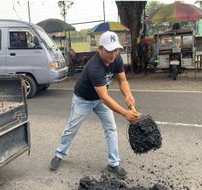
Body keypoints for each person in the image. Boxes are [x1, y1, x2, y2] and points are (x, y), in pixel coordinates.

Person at [50, 31, 140, 179]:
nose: (113, 55)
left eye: (115, 50)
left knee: (111, 128)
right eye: (109, 51)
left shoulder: (116, 60)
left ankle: (114, 163)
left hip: (100, 100)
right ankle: (59, 154)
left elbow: (122, 81)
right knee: (72, 128)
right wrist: (125, 113)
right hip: (83, 99)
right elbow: (105, 97)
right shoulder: (94, 67)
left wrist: (128, 95)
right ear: (100, 49)